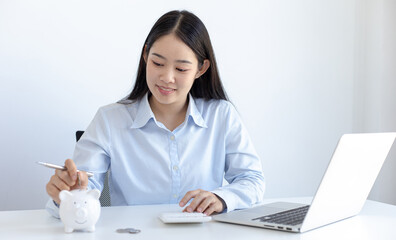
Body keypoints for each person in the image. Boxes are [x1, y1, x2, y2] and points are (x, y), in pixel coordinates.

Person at [45, 10, 265, 218]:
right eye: (158, 63)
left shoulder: (221, 116)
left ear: (201, 69)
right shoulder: (109, 120)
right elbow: (83, 188)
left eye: (181, 69)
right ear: (145, 55)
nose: (167, 77)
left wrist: (222, 198)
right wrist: (66, 195)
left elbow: (252, 180)